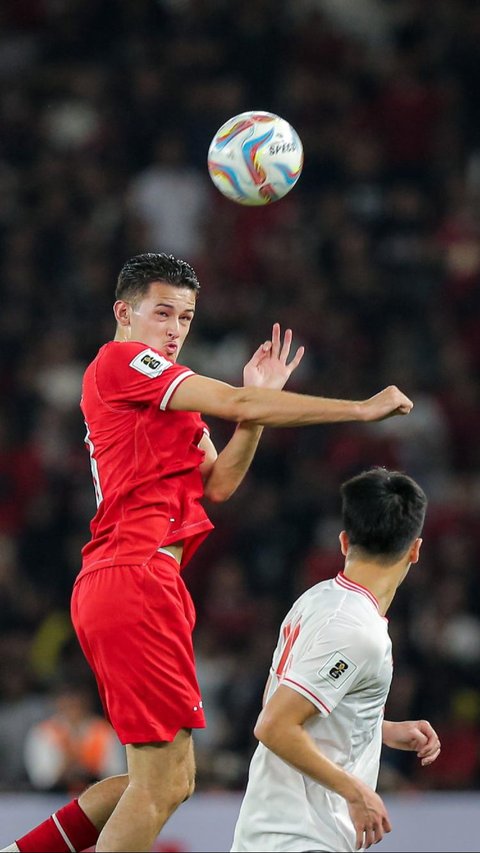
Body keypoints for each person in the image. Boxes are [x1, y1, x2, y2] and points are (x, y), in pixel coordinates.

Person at [1, 253, 414, 853]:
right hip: (134, 574)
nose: (174, 329)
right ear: (124, 312)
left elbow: (217, 483)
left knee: (168, 779)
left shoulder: (172, 395)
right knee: (162, 785)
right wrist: (359, 409)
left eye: (186, 318)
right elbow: (238, 406)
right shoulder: (124, 361)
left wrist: (256, 407)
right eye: (162, 312)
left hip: (135, 579)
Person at [230, 466, 441, 853]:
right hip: (302, 836)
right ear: (415, 549)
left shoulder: (317, 599)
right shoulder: (354, 630)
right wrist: (355, 791)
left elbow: (284, 705)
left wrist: (377, 728)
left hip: (275, 832)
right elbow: (274, 724)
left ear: (344, 542)